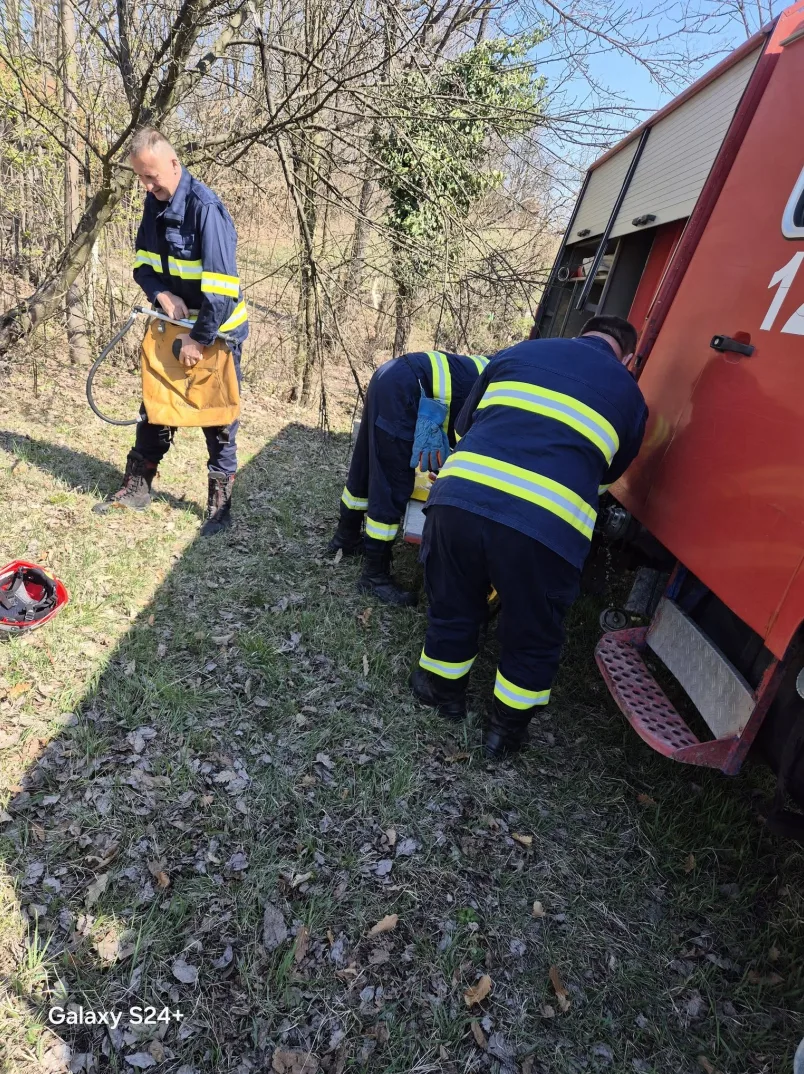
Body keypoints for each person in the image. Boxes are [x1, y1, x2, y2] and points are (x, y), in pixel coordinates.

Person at [409, 315, 648, 757]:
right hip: (547, 522)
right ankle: (504, 734)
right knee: (533, 630)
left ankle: (442, 692)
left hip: (459, 497)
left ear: (582, 333)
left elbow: (465, 426)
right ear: (628, 358)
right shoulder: (631, 396)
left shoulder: (519, 352)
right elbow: (606, 473)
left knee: (454, 595)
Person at [95, 127, 249, 536]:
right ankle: (138, 486)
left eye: (152, 176)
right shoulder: (153, 203)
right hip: (171, 326)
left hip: (216, 333)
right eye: (141, 178)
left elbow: (220, 291)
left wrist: (198, 340)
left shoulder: (206, 209)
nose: (147, 186)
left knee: (218, 419)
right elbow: (142, 267)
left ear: (174, 164)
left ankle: (219, 508)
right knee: (156, 407)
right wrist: (161, 293)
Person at [328, 350, 489, 606]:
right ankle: (374, 575)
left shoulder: (498, 367)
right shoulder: (507, 392)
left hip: (391, 374)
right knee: (391, 481)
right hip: (405, 388)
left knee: (366, 462)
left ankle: (345, 537)